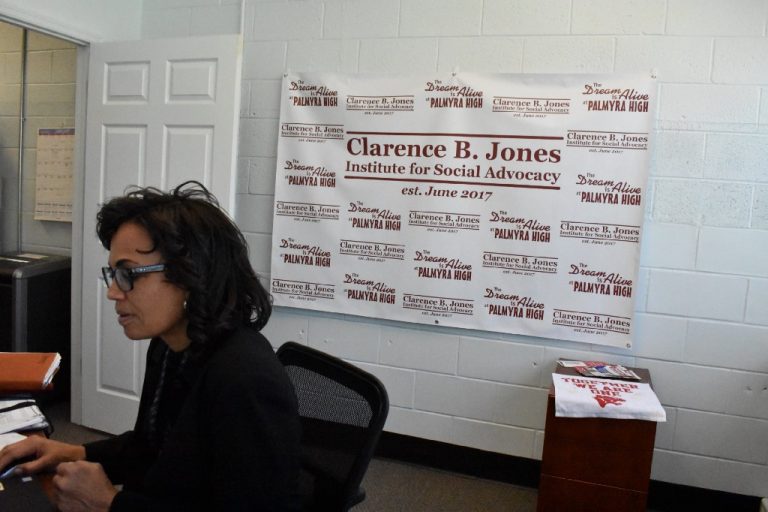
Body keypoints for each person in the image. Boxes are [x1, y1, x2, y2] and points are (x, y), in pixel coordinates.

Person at [0, 181, 301, 511]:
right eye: (112, 274)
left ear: (190, 275)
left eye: (129, 274)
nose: (113, 292)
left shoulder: (244, 381)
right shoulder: (171, 346)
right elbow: (154, 448)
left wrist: (109, 503)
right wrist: (74, 452)